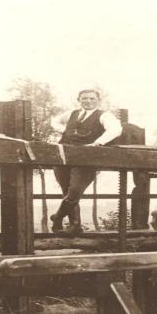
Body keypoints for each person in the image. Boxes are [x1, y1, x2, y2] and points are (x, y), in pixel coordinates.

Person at [50, 89, 123, 234]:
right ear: (79, 100)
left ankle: (57, 217)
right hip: (64, 156)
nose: (88, 101)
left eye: (91, 98)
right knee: (66, 191)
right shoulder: (72, 113)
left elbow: (116, 129)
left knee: (75, 192)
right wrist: (64, 130)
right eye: (84, 99)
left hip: (86, 158)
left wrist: (98, 143)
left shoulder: (104, 115)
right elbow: (54, 121)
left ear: (98, 100)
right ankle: (75, 226)